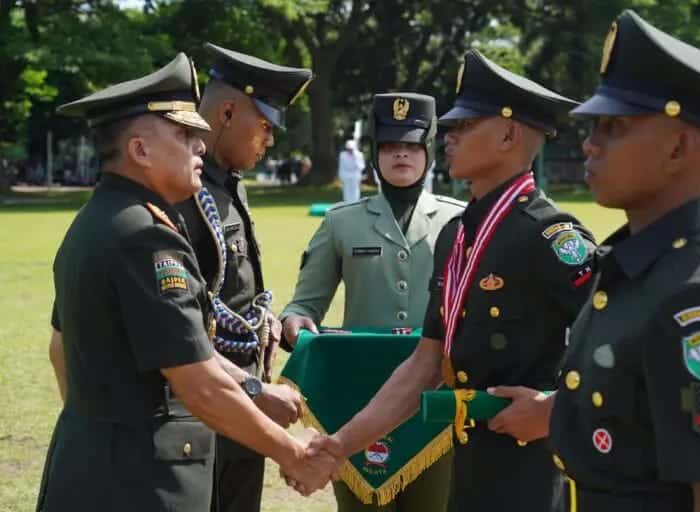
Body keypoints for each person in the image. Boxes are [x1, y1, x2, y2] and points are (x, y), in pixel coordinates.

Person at [484, 10, 700, 512]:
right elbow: (631, 405)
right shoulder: (633, 267)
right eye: (594, 125)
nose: (590, 143)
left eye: (614, 127)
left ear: (678, 148)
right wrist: (554, 411)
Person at [294, 49, 598, 511]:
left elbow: (626, 347)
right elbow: (425, 365)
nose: (449, 136)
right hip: (467, 469)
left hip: (532, 477)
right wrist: (338, 446)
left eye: (464, 125)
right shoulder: (458, 235)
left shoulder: (550, 235)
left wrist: (554, 410)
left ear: (509, 135)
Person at [39, 53, 335, 512]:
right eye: (182, 135)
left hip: (96, 469)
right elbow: (199, 383)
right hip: (140, 485)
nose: (199, 145)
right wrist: (293, 454)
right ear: (140, 151)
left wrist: (100, 433)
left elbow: (64, 350)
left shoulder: (101, 219)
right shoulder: (146, 236)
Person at [280, 92, 465, 512]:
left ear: (428, 150)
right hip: (356, 398)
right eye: (390, 145)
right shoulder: (340, 222)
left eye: (411, 145)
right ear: (374, 153)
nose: (401, 154)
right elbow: (305, 304)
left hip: (435, 398)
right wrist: (296, 320)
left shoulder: (460, 220)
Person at [174, 43, 313, 512]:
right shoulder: (181, 191)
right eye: (266, 126)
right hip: (202, 411)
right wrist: (252, 390)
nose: (270, 141)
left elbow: (226, 289)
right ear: (228, 113)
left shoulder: (229, 183)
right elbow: (180, 326)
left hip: (242, 406)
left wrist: (261, 320)